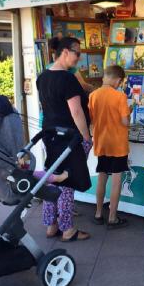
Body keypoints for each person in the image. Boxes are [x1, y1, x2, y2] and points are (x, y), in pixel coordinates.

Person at [36, 36, 93, 242]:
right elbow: (76, 111)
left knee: (52, 177)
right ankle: (67, 229)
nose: (79, 57)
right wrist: (86, 137)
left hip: (50, 134)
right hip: (69, 137)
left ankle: (51, 225)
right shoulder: (67, 79)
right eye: (77, 53)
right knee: (67, 182)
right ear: (66, 52)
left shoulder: (43, 77)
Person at [88, 64, 130, 228]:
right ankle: (112, 217)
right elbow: (125, 122)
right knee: (116, 180)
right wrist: (129, 113)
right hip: (118, 144)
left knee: (102, 176)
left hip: (102, 142)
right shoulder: (120, 96)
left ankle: (98, 213)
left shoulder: (93, 95)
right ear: (118, 80)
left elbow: (92, 119)